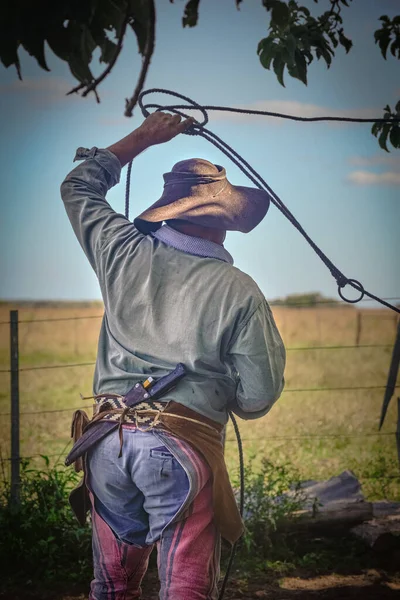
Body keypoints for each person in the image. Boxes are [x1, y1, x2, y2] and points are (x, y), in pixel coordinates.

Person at [60, 111, 286, 600]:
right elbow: (259, 396)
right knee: (185, 586)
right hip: (181, 449)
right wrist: (226, 392)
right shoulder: (240, 290)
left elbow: (77, 188)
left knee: (113, 585)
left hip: (105, 444)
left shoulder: (120, 249)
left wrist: (142, 138)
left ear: (168, 211)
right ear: (223, 222)